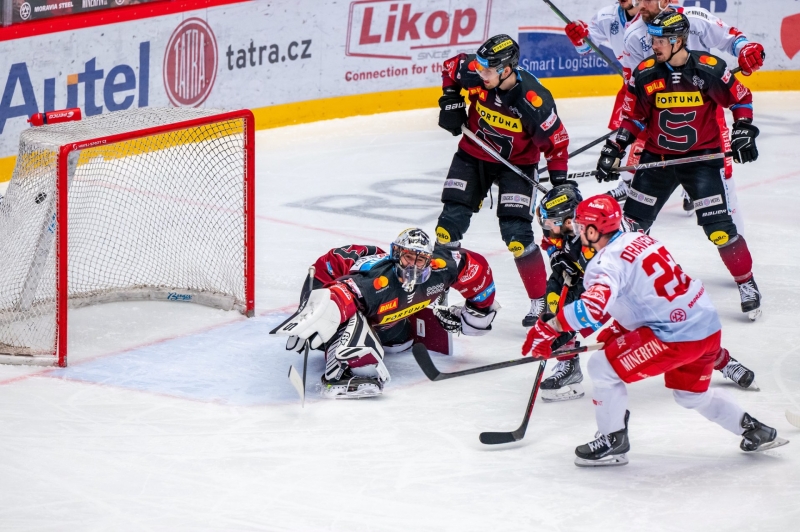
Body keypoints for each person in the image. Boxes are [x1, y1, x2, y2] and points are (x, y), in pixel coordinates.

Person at [522, 195, 787, 466]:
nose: (577, 232)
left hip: (675, 337)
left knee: (602, 367)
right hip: (706, 326)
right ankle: (753, 429)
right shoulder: (641, 240)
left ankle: (612, 440)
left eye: (581, 227)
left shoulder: (604, 263)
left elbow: (591, 308)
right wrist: (621, 329)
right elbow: (649, 295)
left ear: (592, 230)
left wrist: (550, 328)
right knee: (691, 395)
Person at [596, 11, 763, 320]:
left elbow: (741, 98)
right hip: (656, 161)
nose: (654, 45)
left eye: (660, 40)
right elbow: (632, 118)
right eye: (654, 39)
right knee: (631, 230)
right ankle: (624, 287)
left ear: (679, 41)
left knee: (720, 231)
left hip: (701, 161)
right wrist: (614, 148)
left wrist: (744, 130)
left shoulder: (709, 69)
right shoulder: (645, 74)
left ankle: (746, 283)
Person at [537, 185, 755, 402]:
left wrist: (566, 330)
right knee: (555, 296)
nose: (547, 229)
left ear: (568, 221)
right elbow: (551, 242)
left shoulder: (603, 241)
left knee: (672, 327)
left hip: (636, 289)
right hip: (608, 281)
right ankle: (568, 363)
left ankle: (721, 359)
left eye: (549, 224)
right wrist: (557, 256)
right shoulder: (580, 226)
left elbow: (603, 306)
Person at [436, 34, 570, 327]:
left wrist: (560, 185)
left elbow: (557, 145)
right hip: (474, 155)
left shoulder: (534, 101)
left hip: (517, 166)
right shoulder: (478, 70)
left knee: (517, 237)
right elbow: (450, 67)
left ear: (506, 69)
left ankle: (540, 303)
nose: (479, 73)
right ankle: (436, 291)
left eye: (487, 70)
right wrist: (449, 99)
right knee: (448, 227)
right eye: (479, 67)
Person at [273, 228, 499, 398]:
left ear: (430, 261)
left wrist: (477, 312)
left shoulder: (440, 270)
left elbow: (474, 267)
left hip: (382, 310)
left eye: (421, 259)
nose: (413, 265)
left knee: (398, 340)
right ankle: (340, 370)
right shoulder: (378, 283)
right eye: (408, 256)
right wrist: (312, 315)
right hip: (328, 275)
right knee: (351, 340)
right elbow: (339, 295)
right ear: (396, 254)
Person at [616, 0, 765, 213]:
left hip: (706, 113)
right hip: (662, 115)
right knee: (646, 181)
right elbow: (636, 86)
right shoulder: (633, 35)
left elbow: (731, 39)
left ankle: (695, 190)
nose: (641, 4)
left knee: (724, 184)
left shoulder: (695, 17)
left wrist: (745, 49)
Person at [564, 0, 640, 131]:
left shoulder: (657, 14)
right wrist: (580, 39)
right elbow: (586, 48)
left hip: (662, 85)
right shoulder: (607, 16)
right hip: (631, 86)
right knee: (620, 143)